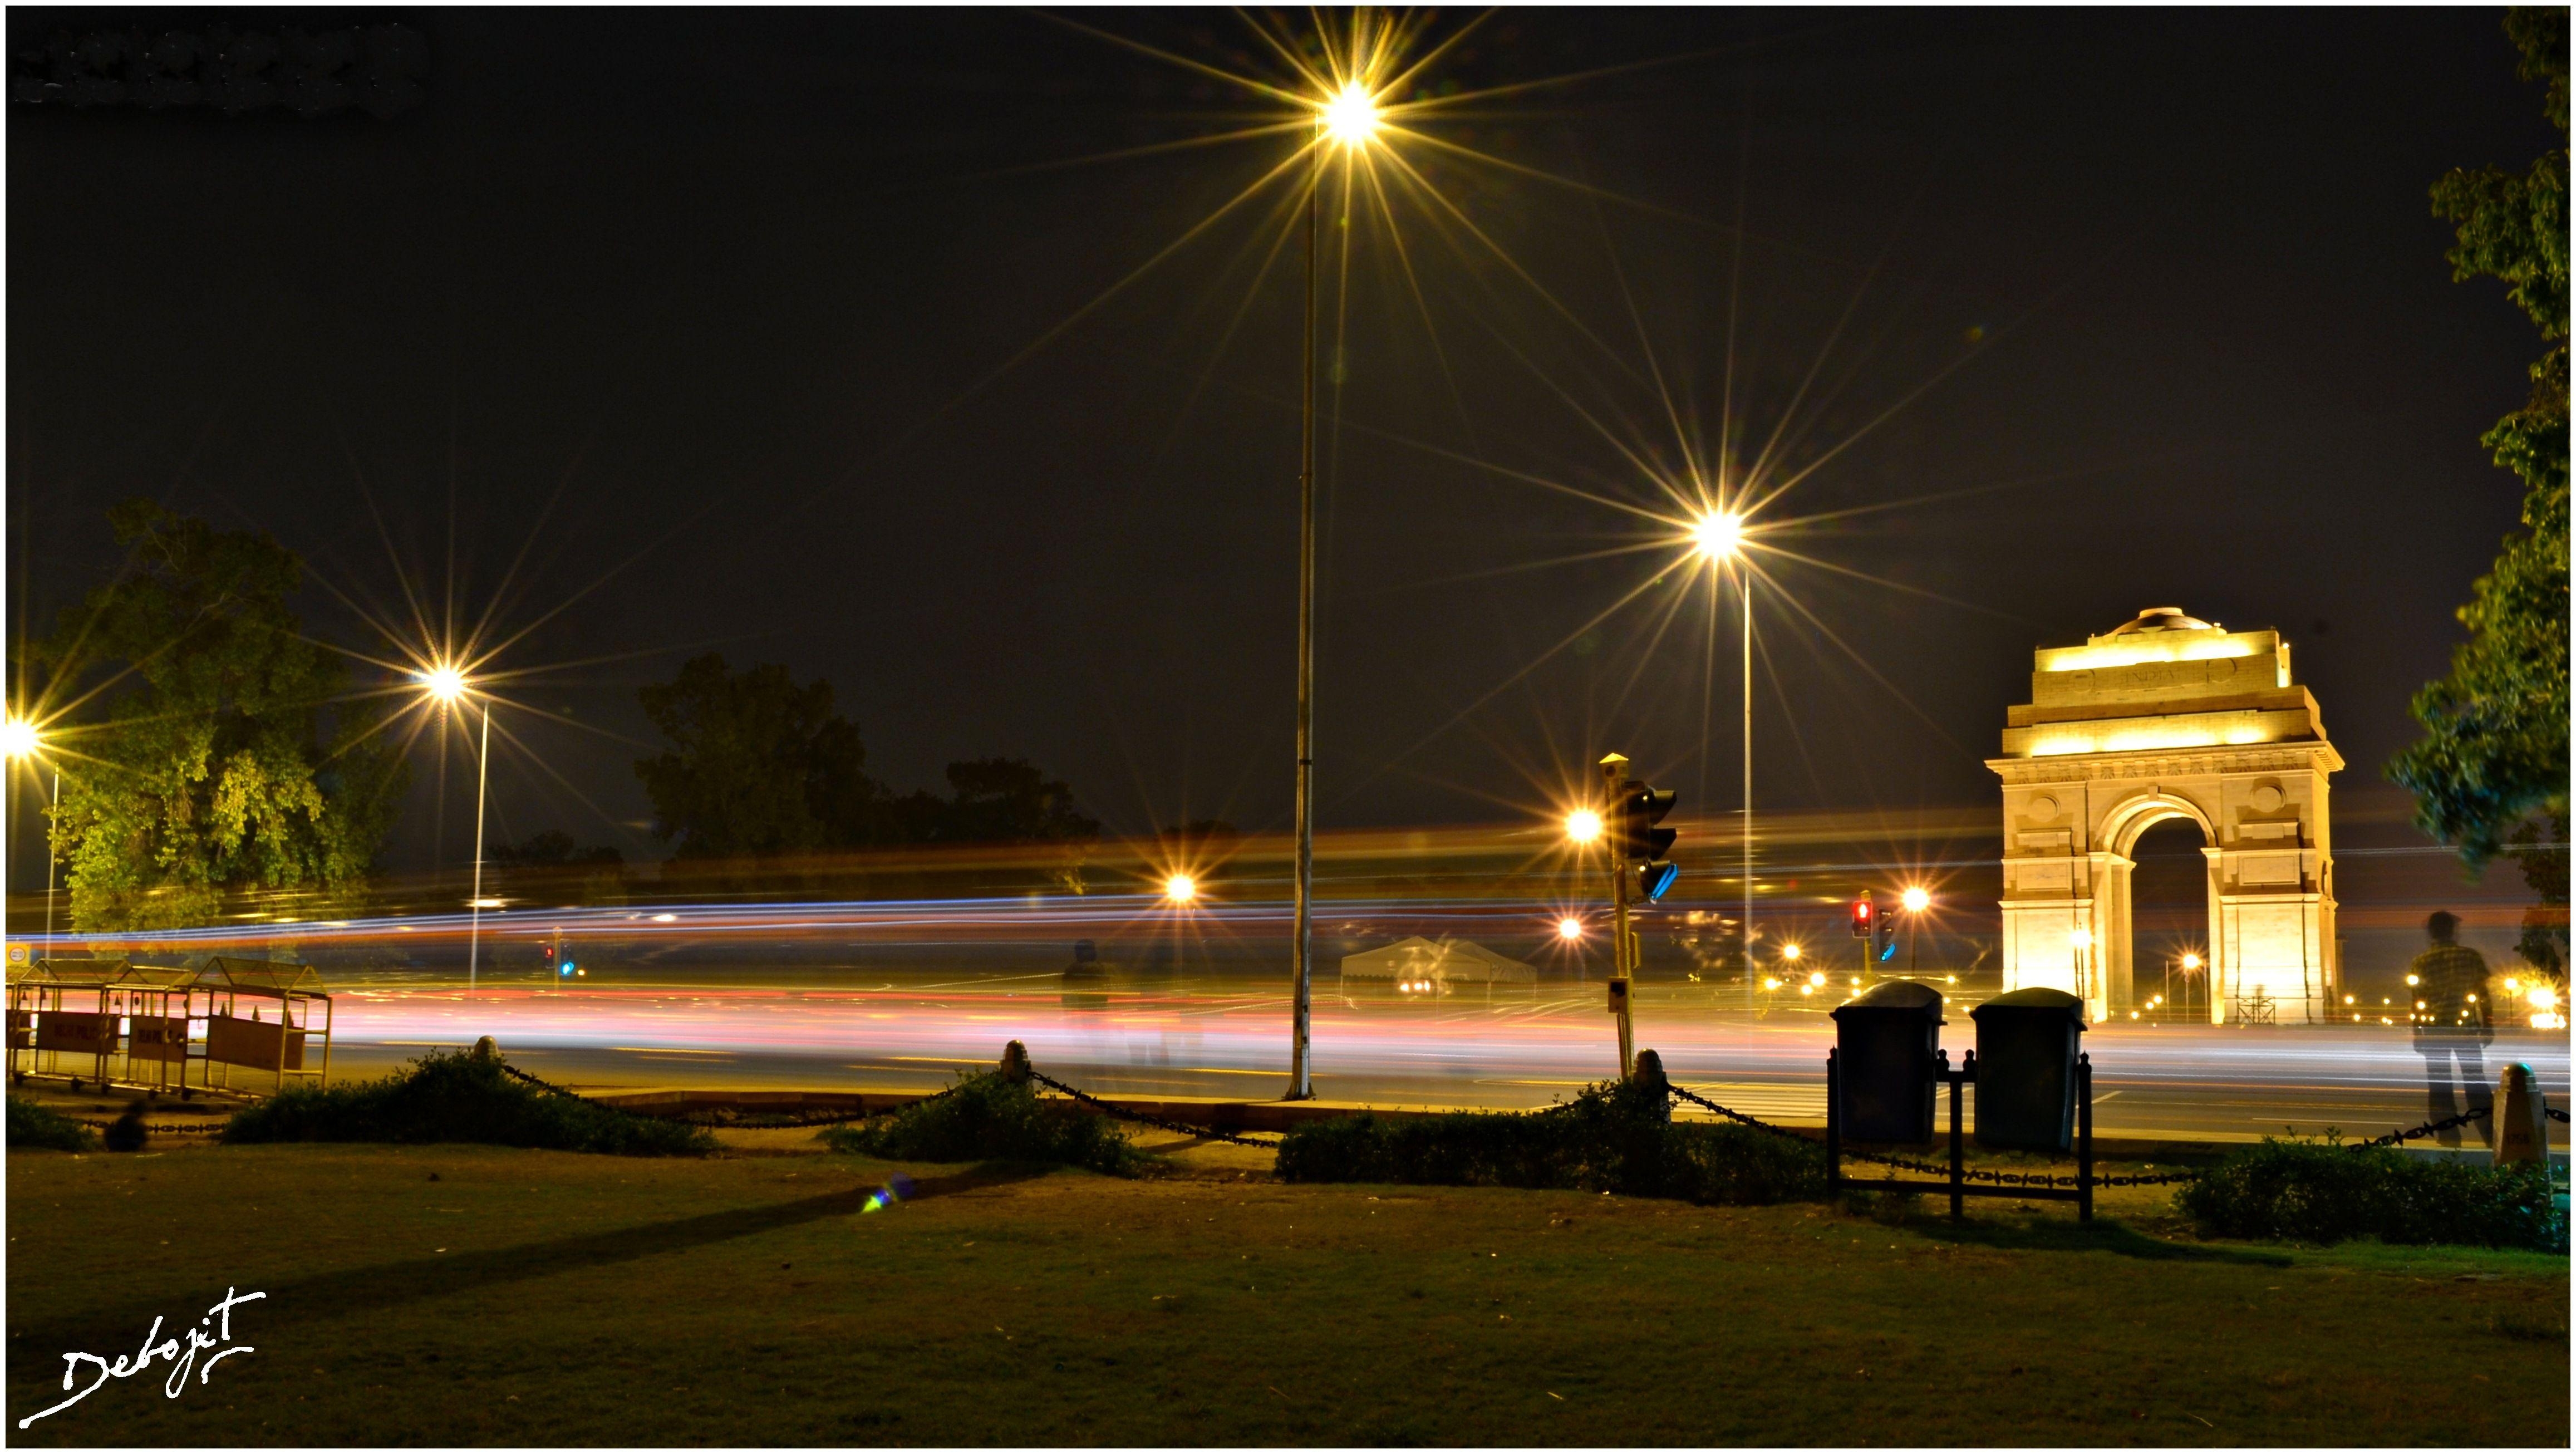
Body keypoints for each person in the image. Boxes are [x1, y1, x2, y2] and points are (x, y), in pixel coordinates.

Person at [2408, 911, 2494, 1146]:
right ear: (2452, 930)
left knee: (2440, 1090)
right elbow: (2483, 995)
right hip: (2466, 1031)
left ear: (2431, 932)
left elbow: (2417, 1001)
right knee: (2476, 1085)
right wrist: (2488, 1024)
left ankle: (2449, 1141)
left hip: (2435, 1033)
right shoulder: (2471, 957)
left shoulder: (2421, 962)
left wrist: (2418, 1033)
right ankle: (2491, 1136)